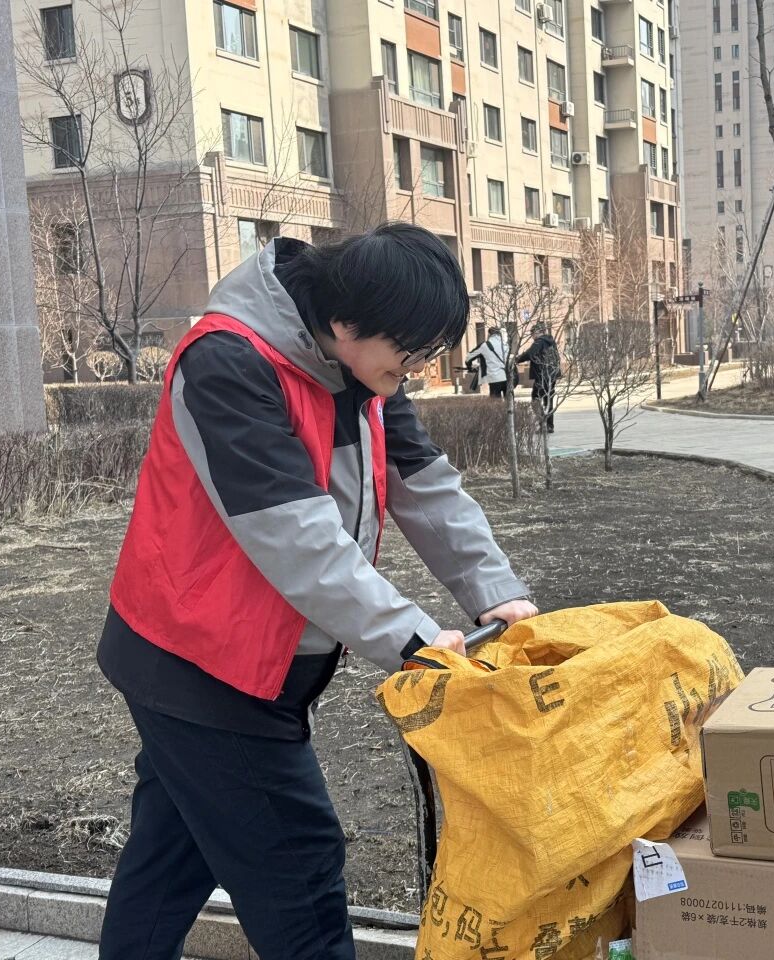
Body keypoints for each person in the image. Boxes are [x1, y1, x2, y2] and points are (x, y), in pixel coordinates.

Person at [95, 223, 537, 960]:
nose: (419, 368)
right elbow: (294, 538)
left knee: (169, 861)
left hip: (230, 663)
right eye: (412, 352)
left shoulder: (360, 368)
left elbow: (424, 483)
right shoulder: (228, 363)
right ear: (346, 322)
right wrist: (413, 640)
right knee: (298, 870)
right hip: (203, 668)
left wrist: (496, 593)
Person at [517, 322, 561, 433]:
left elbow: (530, 354)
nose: (532, 335)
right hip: (551, 375)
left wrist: (517, 359)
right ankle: (549, 426)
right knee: (548, 400)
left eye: (533, 333)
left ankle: (543, 424)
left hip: (542, 375)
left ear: (538, 332)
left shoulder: (539, 342)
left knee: (535, 399)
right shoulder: (550, 341)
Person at [465, 326, 510, 398]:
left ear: (489, 334)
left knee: (495, 403)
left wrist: (470, 367)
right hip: (507, 377)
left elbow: (468, 358)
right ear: (499, 334)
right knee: (509, 402)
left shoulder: (485, 345)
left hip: (494, 379)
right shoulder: (506, 345)